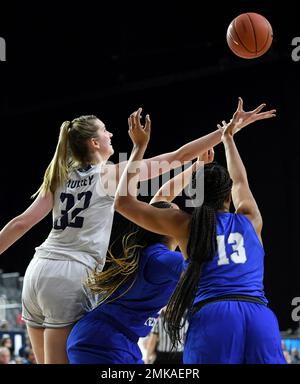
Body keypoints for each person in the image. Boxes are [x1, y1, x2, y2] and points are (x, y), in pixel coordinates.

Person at [0, 109, 241, 363]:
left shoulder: (60, 176)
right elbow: (178, 156)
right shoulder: (108, 174)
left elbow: (20, 223)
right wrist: (226, 132)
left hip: (37, 270)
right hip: (69, 276)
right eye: (105, 130)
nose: (111, 133)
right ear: (94, 143)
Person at [114, 98, 286, 364]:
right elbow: (241, 180)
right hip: (259, 316)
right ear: (228, 196)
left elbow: (124, 202)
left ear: (195, 196)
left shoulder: (185, 224)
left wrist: (138, 149)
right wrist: (229, 138)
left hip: (214, 315)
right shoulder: (251, 219)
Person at [67, 151, 211, 364]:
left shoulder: (154, 251)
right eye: (176, 213)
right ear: (163, 225)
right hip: (105, 341)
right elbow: (208, 275)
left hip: (110, 339)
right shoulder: (165, 260)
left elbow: (162, 197)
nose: (181, 217)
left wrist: (196, 167)